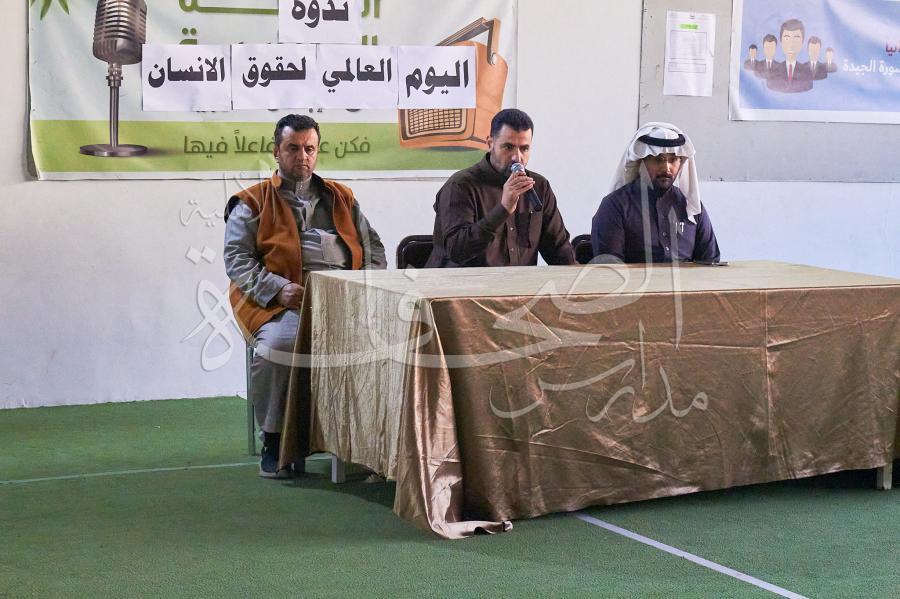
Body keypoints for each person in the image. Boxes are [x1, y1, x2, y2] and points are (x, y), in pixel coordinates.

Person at [224, 114, 386, 478]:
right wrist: (277, 289)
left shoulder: (342, 198)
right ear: (276, 152)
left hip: (344, 301)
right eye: (293, 148)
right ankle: (276, 439)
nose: (302, 156)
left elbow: (373, 248)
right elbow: (237, 260)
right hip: (284, 303)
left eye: (309, 149)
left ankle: (369, 441)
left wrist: (366, 287)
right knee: (279, 346)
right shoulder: (252, 202)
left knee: (391, 341)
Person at [425, 108, 576, 267]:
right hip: (460, 281)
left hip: (518, 282)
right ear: (490, 144)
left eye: (524, 148)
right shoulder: (460, 186)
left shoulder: (539, 187)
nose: (517, 157)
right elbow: (456, 251)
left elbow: (559, 251)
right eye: (508, 147)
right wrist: (503, 209)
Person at [591, 123, 720, 264]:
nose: (666, 168)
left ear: (681, 162)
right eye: (658, 159)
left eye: (673, 160)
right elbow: (610, 269)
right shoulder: (615, 206)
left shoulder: (691, 207)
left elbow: (710, 261)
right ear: (641, 161)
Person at [768, 19, 813, 92]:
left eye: (796, 38)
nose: (791, 44)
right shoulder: (773, 72)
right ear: (781, 41)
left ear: (802, 42)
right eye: (787, 38)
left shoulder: (807, 73)